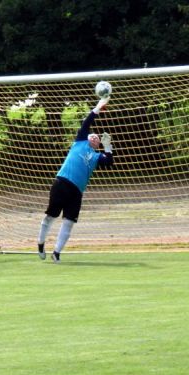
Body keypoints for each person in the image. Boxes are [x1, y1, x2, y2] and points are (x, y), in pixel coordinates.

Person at [37, 96, 114, 263]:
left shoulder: (96, 156)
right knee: (50, 216)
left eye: (98, 139)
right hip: (62, 183)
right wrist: (98, 107)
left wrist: (108, 146)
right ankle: (40, 243)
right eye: (93, 135)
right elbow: (87, 123)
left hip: (77, 192)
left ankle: (56, 253)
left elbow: (109, 162)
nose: (95, 137)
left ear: (98, 145)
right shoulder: (79, 142)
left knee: (69, 222)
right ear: (86, 138)